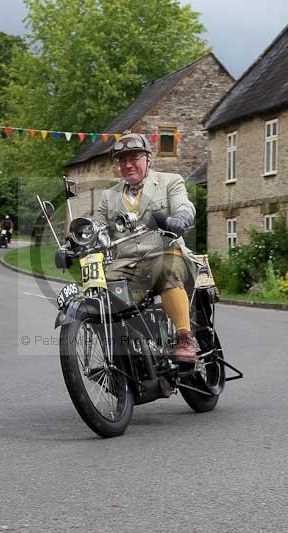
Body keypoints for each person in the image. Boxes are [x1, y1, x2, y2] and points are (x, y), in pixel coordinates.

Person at [92, 131, 199, 363]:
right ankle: (126, 348)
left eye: (134, 158)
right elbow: (96, 228)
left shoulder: (170, 181)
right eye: (122, 160)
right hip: (127, 263)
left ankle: (184, 338)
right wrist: (75, 241)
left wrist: (179, 218)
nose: (128, 165)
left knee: (166, 269)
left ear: (148, 160)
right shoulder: (109, 196)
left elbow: (185, 205)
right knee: (101, 287)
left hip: (164, 251)